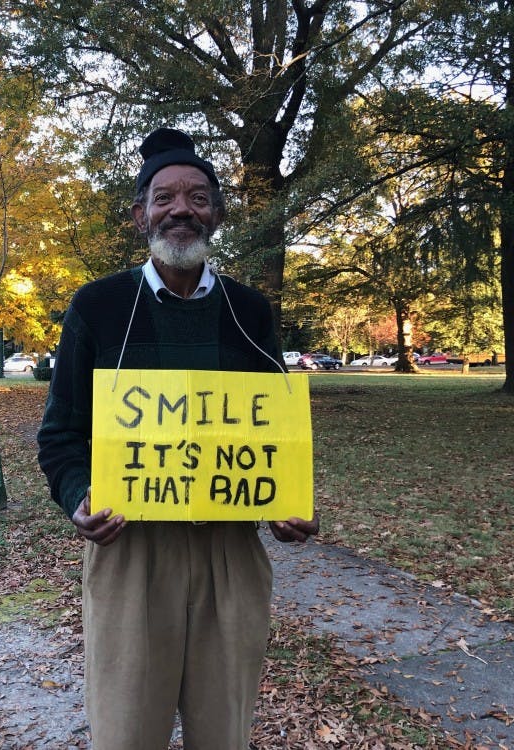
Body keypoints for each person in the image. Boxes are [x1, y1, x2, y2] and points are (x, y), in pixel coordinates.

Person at [37, 126, 319, 750]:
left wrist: (285, 504)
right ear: (140, 215)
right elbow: (59, 436)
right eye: (164, 197)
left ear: (217, 213)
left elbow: (271, 432)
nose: (181, 209)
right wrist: (80, 495)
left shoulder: (251, 312)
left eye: (197, 196)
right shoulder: (100, 306)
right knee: (126, 731)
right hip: (131, 550)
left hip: (229, 554)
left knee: (225, 732)